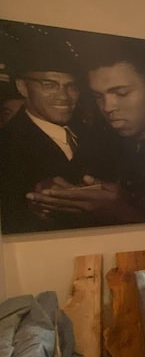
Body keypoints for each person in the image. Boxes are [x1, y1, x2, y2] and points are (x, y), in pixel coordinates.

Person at [25, 37, 145, 225]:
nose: (108, 107)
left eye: (121, 93)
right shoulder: (96, 145)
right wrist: (52, 198)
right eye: (98, 96)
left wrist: (121, 212)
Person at [0, 40, 102, 233]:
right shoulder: (6, 145)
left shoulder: (95, 136)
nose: (64, 96)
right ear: (22, 87)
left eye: (72, 86)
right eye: (50, 85)